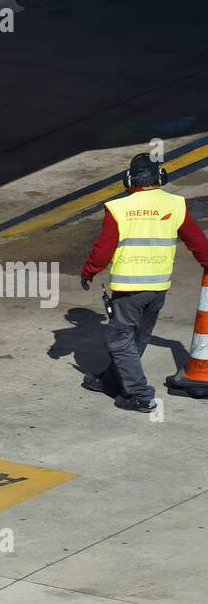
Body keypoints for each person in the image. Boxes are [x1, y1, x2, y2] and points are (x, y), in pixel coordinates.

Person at [80, 152, 208, 412]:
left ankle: (139, 394)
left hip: (129, 290)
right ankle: (110, 381)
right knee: (137, 337)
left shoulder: (119, 207)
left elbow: (103, 250)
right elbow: (197, 242)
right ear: (160, 177)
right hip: (158, 288)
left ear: (128, 180)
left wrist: (89, 271)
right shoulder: (175, 204)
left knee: (119, 339)